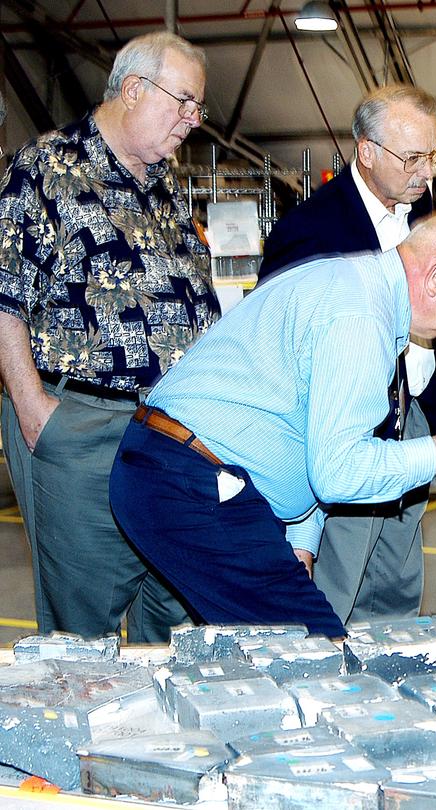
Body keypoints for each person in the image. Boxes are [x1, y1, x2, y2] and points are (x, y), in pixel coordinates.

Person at [109, 211, 436, 638]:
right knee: (318, 657)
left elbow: (306, 431)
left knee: (279, 650)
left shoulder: (357, 290)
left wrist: (301, 541)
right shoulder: (361, 317)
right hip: (192, 482)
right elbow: (339, 472)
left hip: (182, 471)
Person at [0, 31, 219, 643]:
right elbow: (2, 297)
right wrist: (35, 411)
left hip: (169, 430)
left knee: (176, 615)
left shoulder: (168, 187)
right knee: (83, 630)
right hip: (81, 423)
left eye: (198, 108)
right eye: (183, 103)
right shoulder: (44, 169)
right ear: (132, 89)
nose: (192, 120)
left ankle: (164, 741)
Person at [257, 84, 436, 624]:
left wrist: (426, 414)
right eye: (412, 157)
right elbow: (282, 346)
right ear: (365, 151)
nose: (426, 172)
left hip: (409, 417)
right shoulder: (310, 230)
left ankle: (390, 683)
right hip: (343, 430)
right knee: (338, 588)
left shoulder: (424, 212)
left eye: (432, 156)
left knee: (396, 580)